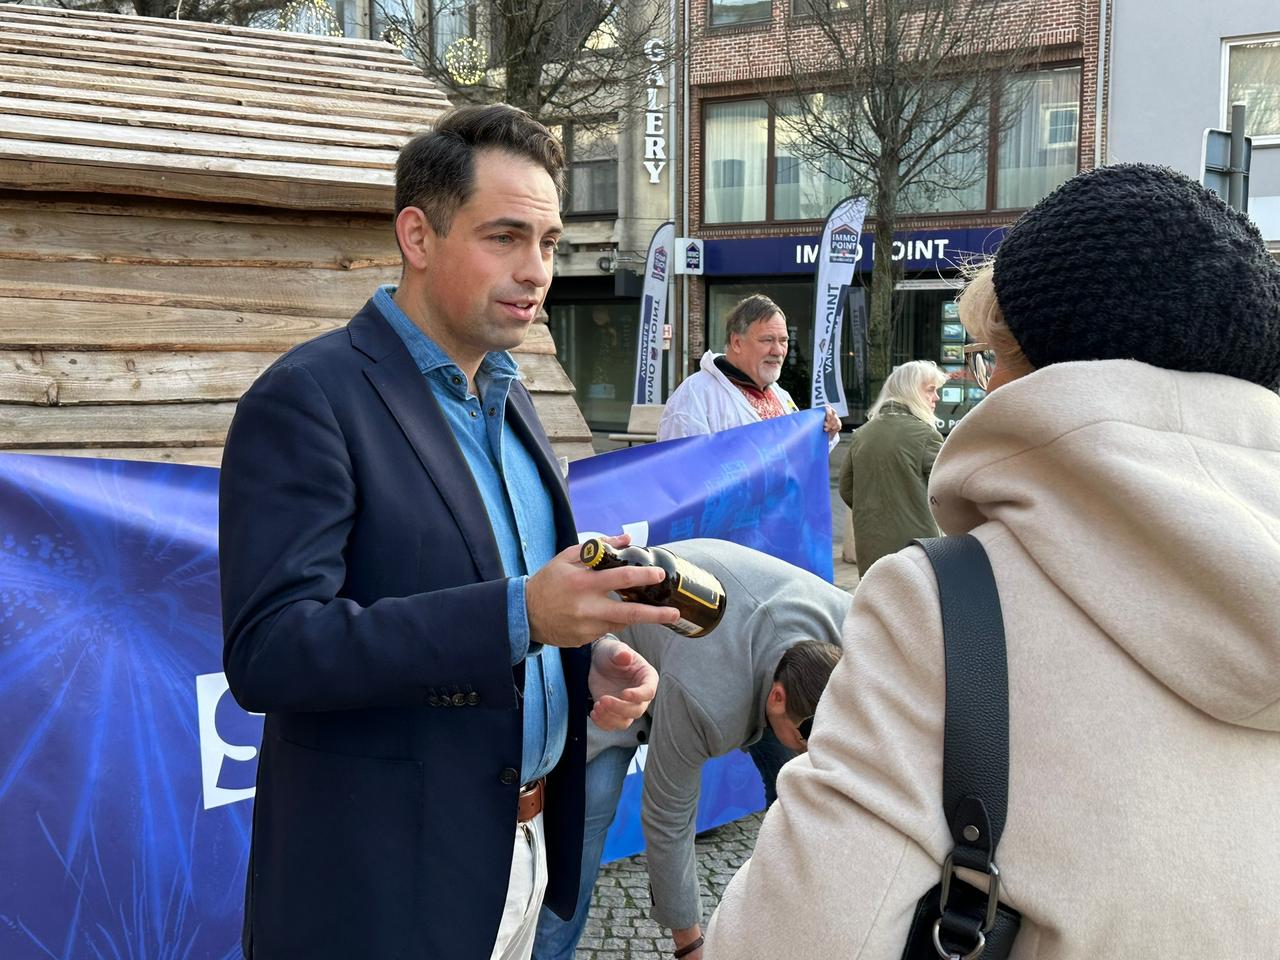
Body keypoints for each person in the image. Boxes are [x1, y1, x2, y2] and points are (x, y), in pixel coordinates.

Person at [705, 163, 1280, 957]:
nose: (982, 385)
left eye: (991, 356)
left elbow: (785, 939)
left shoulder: (944, 607)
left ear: (1038, 368)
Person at [218, 105, 679, 960]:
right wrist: (523, 620)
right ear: (417, 235)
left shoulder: (511, 396)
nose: (538, 270)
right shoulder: (308, 399)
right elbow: (269, 650)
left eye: (547, 241)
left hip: (525, 853)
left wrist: (574, 661)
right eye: (506, 237)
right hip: (382, 888)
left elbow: (504, 598)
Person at [532, 539, 851, 960]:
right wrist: (690, 944)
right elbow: (668, 817)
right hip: (615, 657)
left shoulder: (854, 633)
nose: (813, 753)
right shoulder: (711, 702)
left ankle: (795, 919)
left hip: (726, 641)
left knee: (802, 805)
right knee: (585, 825)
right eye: (808, 739)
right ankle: (547, 952)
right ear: (776, 698)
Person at [658, 294, 842, 450]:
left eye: (783, 340)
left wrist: (824, 433)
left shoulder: (780, 395)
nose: (778, 351)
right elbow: (681, 472)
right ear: (737, 343)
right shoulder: (696, 395)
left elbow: (793, 459)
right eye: (767, 340)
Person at [837, 360, 948, 575]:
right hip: (919, 549)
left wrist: (875, 511)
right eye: (931, 390)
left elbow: (846, 488)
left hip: (870, 545)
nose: (936, 398)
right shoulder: (927, 435)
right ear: (911, 391)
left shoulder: (862, 433)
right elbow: (945, 490)